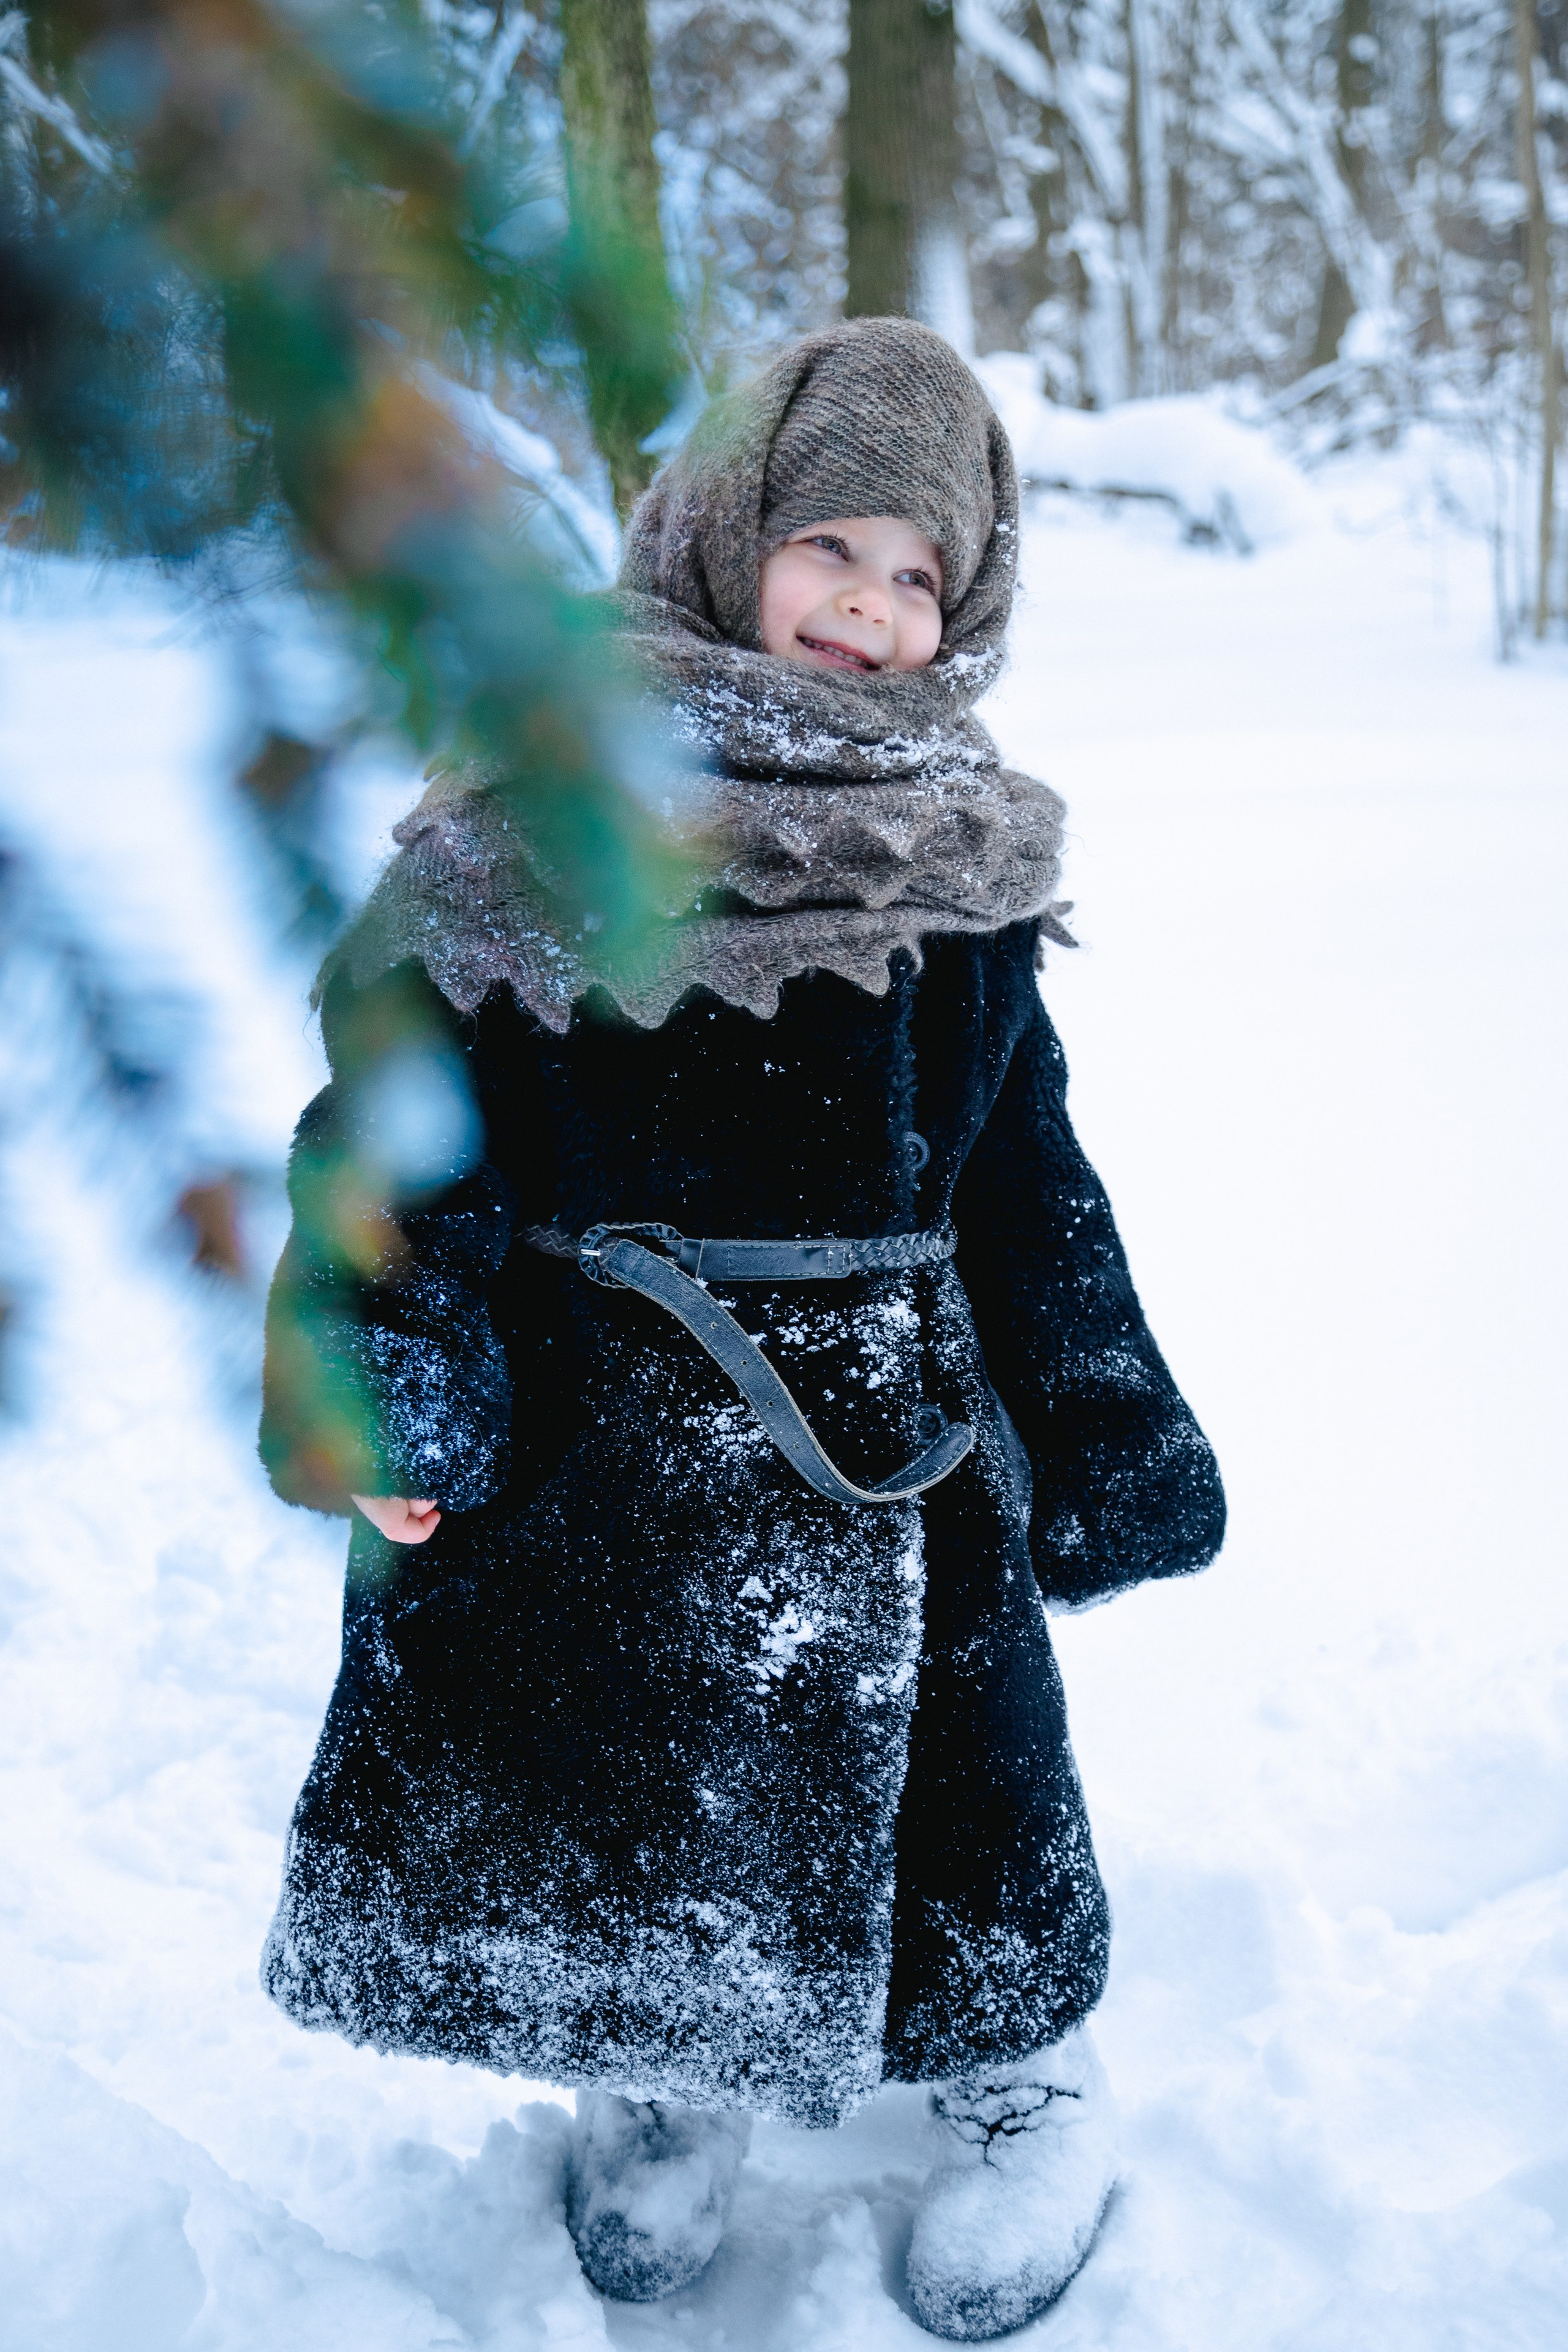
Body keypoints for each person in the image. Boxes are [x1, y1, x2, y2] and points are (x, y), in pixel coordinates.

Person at [258, 318, 1225, 2343]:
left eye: (921, 580)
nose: (871, 613)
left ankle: (1017, 2074)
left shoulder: (957, 867)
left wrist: (1106, 1416)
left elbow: (1021, 1179)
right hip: (599, 1443)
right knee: (633, 1779)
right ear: (722, 533)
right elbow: (393, 1138)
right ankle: (664, 2051)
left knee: (968, 1792)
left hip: (886, 1447)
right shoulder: (530, 824)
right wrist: (394, 1377)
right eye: (834, 550)